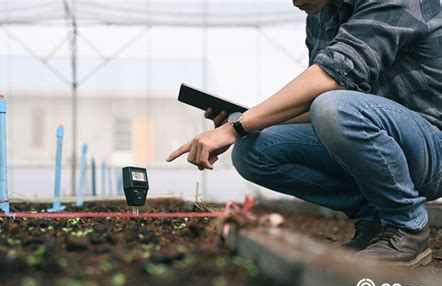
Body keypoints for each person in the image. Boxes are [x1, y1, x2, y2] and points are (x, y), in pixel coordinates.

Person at [167, 0, 442, 268]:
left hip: (432, 149)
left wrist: (238, 126)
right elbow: (316, 102)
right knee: (253, 151)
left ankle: (408, 228)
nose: (294, 2)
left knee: (333, 107)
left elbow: (331, 82)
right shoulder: (320, 15)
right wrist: (243, 124)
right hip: (377, 140)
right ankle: (375, 219)